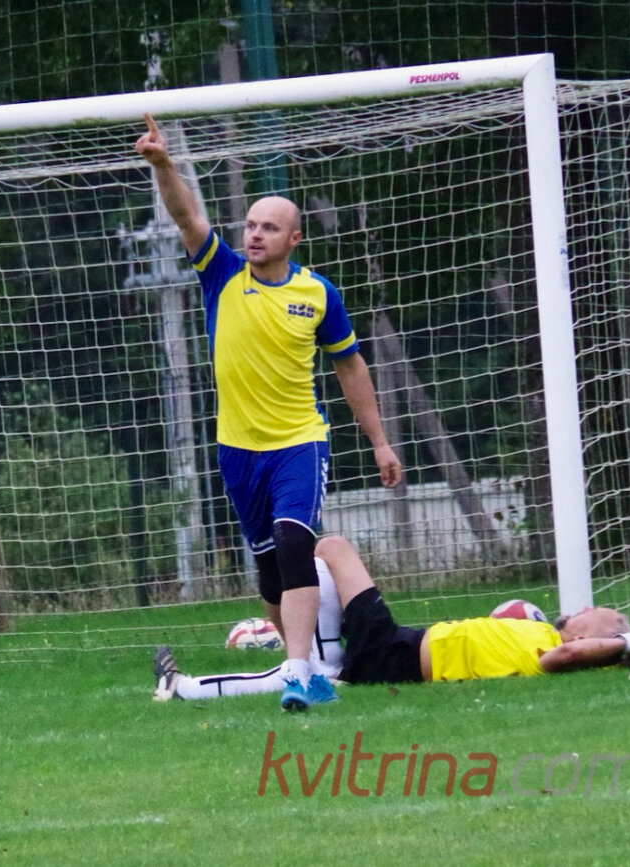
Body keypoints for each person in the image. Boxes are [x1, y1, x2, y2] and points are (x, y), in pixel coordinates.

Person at [135, 114, 402, 711]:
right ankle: (302, 666)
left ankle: (300, 673)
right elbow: (187, 217)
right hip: (238, 450)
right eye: (251, 225)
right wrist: (163, 165)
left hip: (299, 442)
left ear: (293, 239)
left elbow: (350, 366)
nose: (255, 235)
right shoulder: (222, 273)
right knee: (270, 572)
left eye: (269, 228)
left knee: (292, 541)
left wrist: (380, 442)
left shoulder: (318, 294)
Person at [152, 535, 630, 701]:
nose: (588, 609)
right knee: (323, 561)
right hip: (401, 646)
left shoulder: (568, 652)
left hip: (397, 655)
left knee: (330, 549)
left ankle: (191, 685)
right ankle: (302, 650)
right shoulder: (538, 624)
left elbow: (566, 656)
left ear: (602, 637)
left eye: (607, 617)